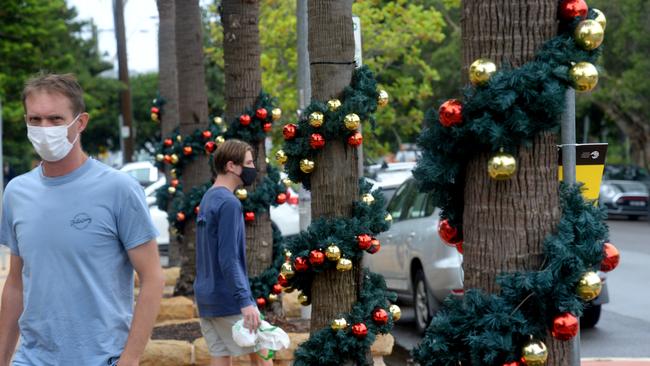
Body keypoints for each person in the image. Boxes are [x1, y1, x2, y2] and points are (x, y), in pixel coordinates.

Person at [0, 73, 165, 366]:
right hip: (32, 358)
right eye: (35, 120)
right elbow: (16, 283)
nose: (44, 129)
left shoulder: (119, 189)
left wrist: (130, 359)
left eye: (55, 119)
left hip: (102, 358)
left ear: (81, 122)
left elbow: (152, 278)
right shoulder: (16, 193)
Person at [194, 139, 272, 366]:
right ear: (231, 166)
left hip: (206, 297)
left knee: (220, 356)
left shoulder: (208, 197)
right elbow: (228, 258)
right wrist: (245, 301)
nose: (252, 168)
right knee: (263, 354)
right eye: (248, 163)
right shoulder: (229, 203)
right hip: (229, 298)